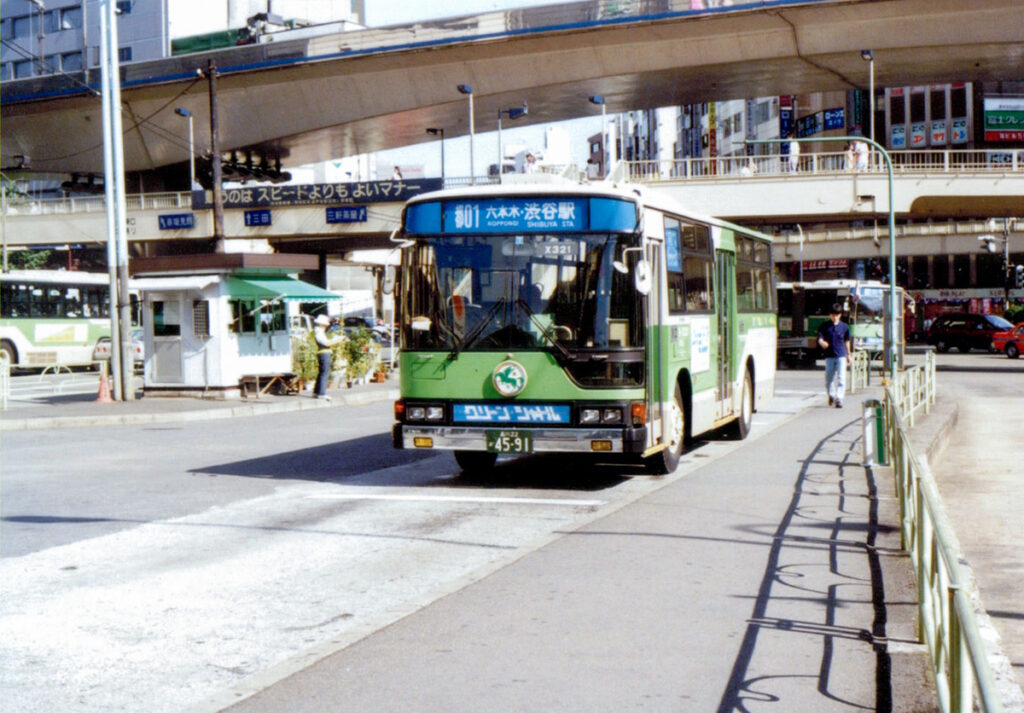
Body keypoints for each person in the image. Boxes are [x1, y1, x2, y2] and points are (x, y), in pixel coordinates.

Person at [817, 303, 852, 408]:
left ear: (840, 315)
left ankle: (839, 399)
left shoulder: (845, 327)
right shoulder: (824, 326)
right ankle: (831, 395)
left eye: (836, 315)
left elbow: (847, 341)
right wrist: (821, 342)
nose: (834, 317)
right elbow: (819, 338)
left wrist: (848, 354)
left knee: (842, 377)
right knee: (829, 378)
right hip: (829, 355)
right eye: (832, 315)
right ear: (829, 315)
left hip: (841, 354)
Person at [313, 314, 344, 401]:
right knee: (325, 373)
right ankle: (322, 393)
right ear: (322, 324)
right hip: (324, 353)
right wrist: (337, 340)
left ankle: (316, 391)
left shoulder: (319, 331)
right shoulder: (319, 333)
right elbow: (326, 343)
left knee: (322, 373)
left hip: (323, 353)